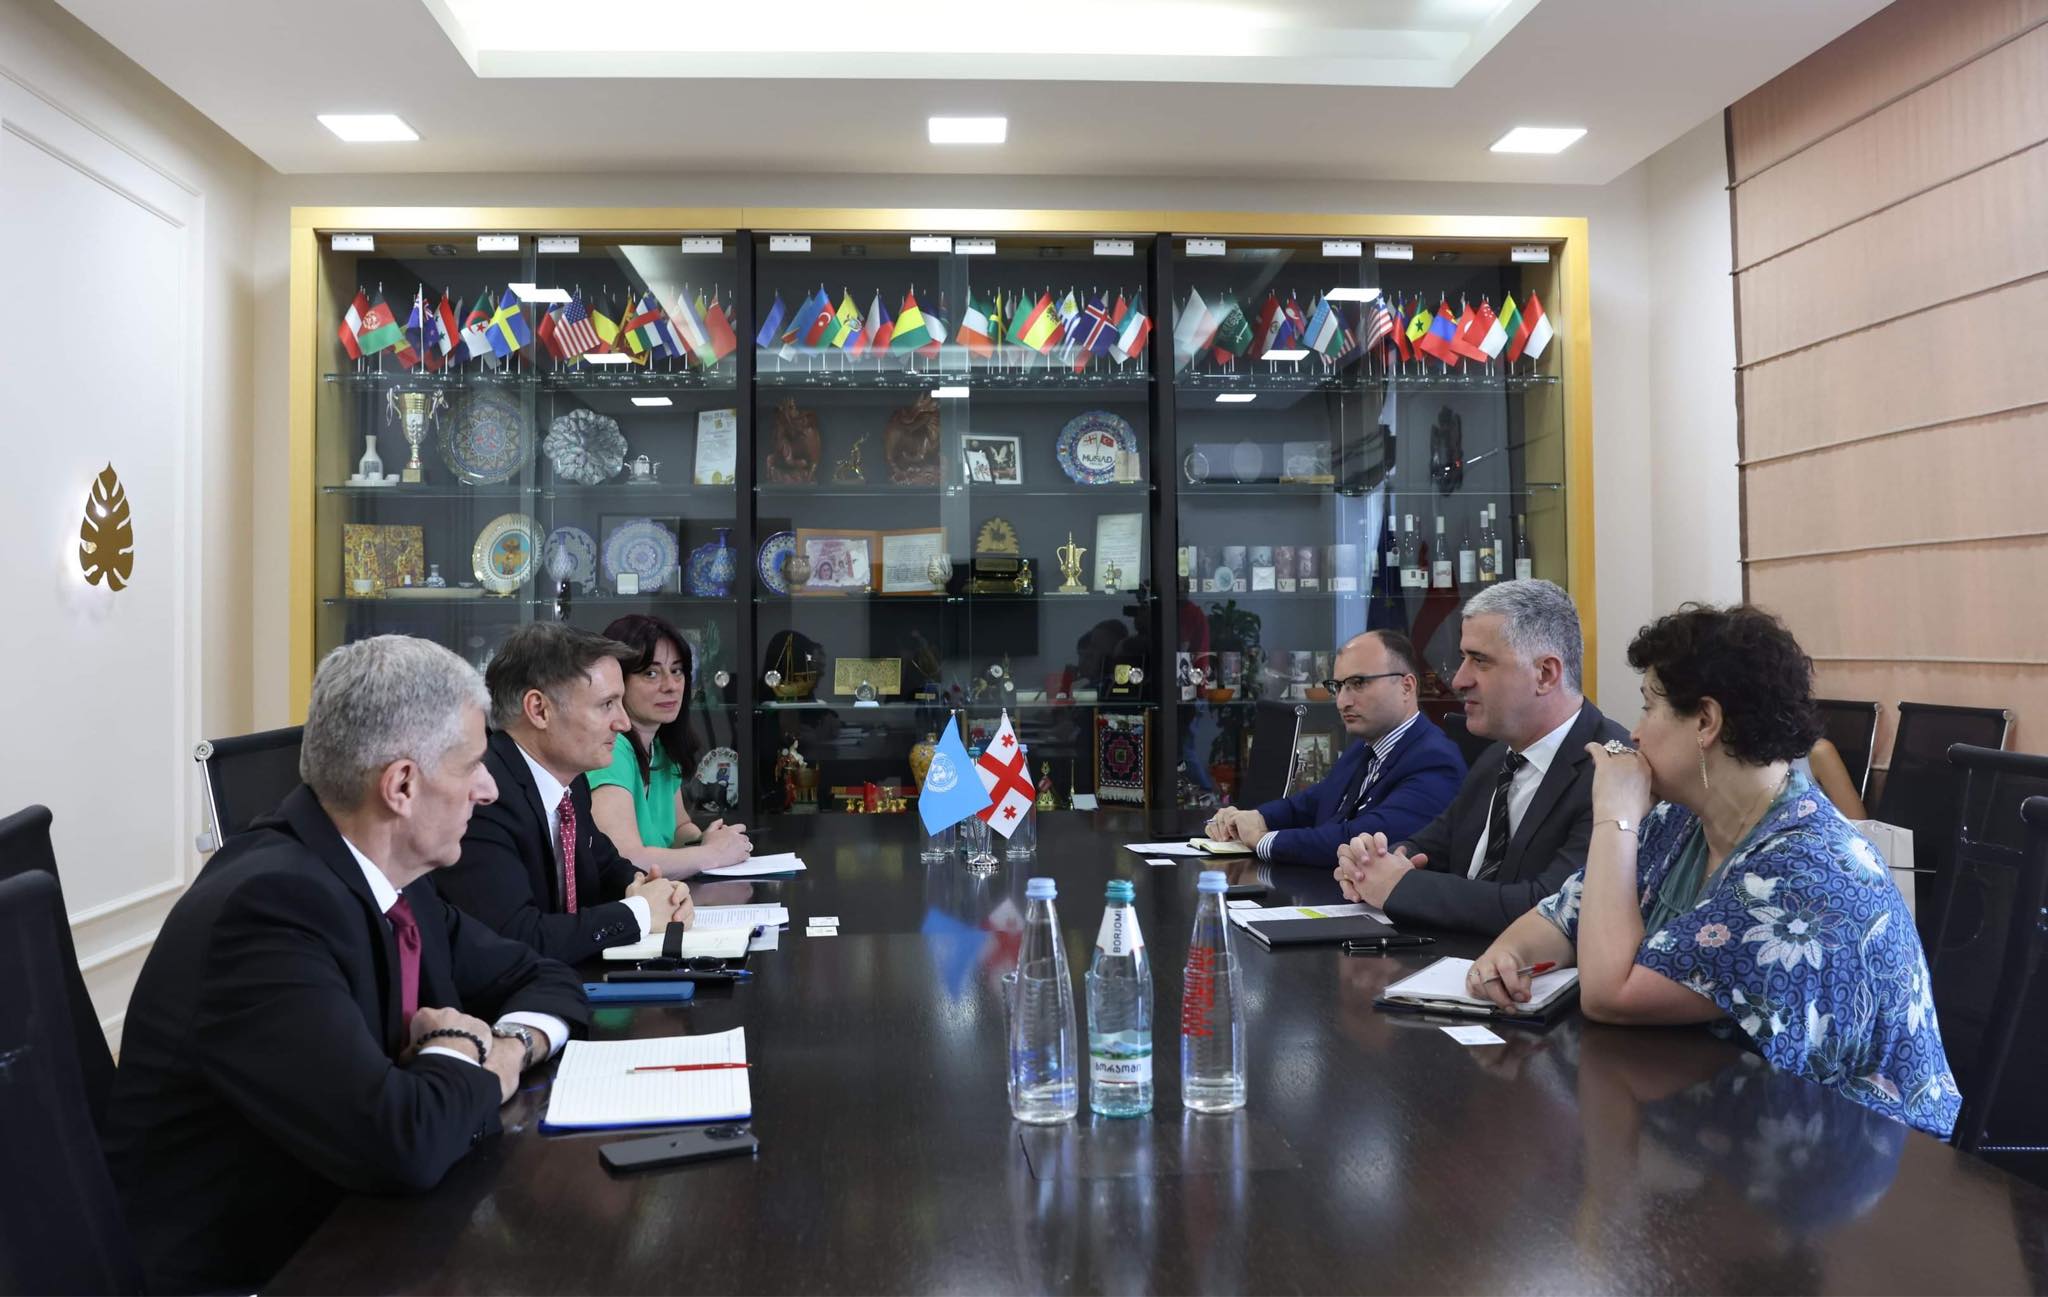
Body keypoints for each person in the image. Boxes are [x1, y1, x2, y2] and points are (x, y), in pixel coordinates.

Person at [104, 636, 589, 1293]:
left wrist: (510, 1044)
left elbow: (545, 975)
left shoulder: (398, 879)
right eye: (473, 764)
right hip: (258, 1269)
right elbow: (403, 1141)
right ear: (402, 785)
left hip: (354, 1226)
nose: (489, 788)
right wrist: (463, 1053)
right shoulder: (269, 910)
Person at [1467, 604, 1958, 1137]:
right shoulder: (1681, 820)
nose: (1635, 734)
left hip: (1858, 1158)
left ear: (1705, 721)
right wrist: (1508, 956)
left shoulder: (1807, 873)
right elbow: (1561, 917)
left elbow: (1611, 994)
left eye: (1649, 708)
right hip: (1720, 1118)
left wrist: (1614, 816)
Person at [1334, 579, 1629, 934]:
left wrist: (1397, 886)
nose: (1459, 680)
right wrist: (1372, 864)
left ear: (1545, 674)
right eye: (1463, 658)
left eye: (1480, 661)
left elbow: (1551, 906)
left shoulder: (1612, 770)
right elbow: (1431, 845)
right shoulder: (1497, 756)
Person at [436, 622, 693, 962]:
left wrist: (654, 890)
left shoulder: (572, 782)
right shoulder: (483, 796)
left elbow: (605, 866)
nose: (623, 722)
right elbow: (516, 937)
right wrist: (640, 912)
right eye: (607, 704)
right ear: (539, 710)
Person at [1205, 629, 1465, 868]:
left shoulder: (1435, 761)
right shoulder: (1363, 748)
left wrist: (1262, 840)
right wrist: (1256, 818)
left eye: (1358, 683)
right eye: (1338, 687)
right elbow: (1312, 802)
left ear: (1406, 687)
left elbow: (1358, 842)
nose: (1342, 702)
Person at [587, 614, 752, 877]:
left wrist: (708, 840)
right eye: (651, 673)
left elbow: (679, 829)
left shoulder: (660, 746)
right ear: (617, 680)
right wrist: (712, 854)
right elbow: (626, 860)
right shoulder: (612, 750)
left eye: (677, 671)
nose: (671, 686)